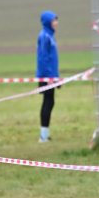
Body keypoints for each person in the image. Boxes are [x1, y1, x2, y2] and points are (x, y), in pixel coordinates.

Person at [36, 10, 59, 142]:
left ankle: (45, 134)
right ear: (48, 22)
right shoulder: (44, 36)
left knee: (50, 102)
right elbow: (43, 59)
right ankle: (43, 136)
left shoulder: (50, 36)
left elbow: (52, 59)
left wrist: (56, 76)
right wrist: (49, 77)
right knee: (47, 102)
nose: (56, 23)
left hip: (51, 75)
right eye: (54, 20)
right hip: (47, 76)